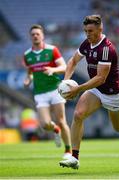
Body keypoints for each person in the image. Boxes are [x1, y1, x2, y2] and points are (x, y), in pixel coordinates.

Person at [59, 15, 119, 169]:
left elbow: (101, 78)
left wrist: (78, 89)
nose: (87, 34)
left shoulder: (106, 49)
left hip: (113, 93)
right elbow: (73, 61)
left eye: (90, 31)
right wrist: (66, 82)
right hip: (95, 90)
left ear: (100, 29)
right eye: (85, 31)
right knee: (78, 115)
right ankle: (74, 157)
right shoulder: (87, 43)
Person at [23, 24, 71, 159]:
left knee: (62, 121)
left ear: (42, 35)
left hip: (55, 89)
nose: (35, 36)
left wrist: (53, 70)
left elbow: (64, 67)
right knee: (44, 125)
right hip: (40, 93)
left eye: (37, 34)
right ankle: (55, 130)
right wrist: (28, 80)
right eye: (33, 34)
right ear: (30, 37)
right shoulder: (27, 55)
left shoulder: (52, 50)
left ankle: (68, 151)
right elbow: (30, 72)